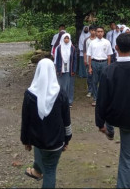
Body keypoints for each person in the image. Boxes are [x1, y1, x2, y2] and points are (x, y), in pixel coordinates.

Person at [95, 33, 130, 188]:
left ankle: (110, 131)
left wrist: (100, 123)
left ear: (116, 48)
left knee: (124, 151)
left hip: (112, 116)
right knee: (128, 155)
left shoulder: (109, 70)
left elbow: (102, 99)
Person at [21, 58, 72, 188]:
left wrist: (25, 141)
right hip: (56, 141)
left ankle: (37, 171)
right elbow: (66, 120)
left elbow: (25, 120)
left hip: (37, 140)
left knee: (42, 152)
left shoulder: (29, 94)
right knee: (50, 171)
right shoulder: (60, 93)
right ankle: (38, 171)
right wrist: (67, 140)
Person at [87, 26, 113, 107]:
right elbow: (89, 56)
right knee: (94, 81)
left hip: (104, 63)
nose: (100, 33)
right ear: (95, 32)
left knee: (104, 81)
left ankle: (104, 98)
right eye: (98, 31)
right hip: (94, 63)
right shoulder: (92, 42)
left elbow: (109, 55)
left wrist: (108, 66)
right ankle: (95, 98)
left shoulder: (107, 42)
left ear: (103, 32)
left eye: (101, 31)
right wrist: (90, 67)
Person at [54, 33, 77, 107]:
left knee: (70, 86)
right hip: (61, 69)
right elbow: (56, 59)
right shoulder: (59, 48)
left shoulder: (72, 48)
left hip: (70, 70)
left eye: (68, 38)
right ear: (62, 39)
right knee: (61, 85)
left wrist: (73, 70)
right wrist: (57, 69)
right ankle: (61, 100)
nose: (66, 40)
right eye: (65, 38)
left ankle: (69, 101)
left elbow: (75, 59)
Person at [83, 25, 97, 99]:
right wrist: (85, 60)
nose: (93, 32)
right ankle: (90, 90)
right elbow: (85, 51)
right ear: (89, 31)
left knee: (96, 77)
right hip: (89, 61)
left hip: (96, 60)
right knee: (89, 76)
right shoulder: (86, 40)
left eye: (94, 30)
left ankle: (96, 90)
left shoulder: (98, 39)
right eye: (92, 30)